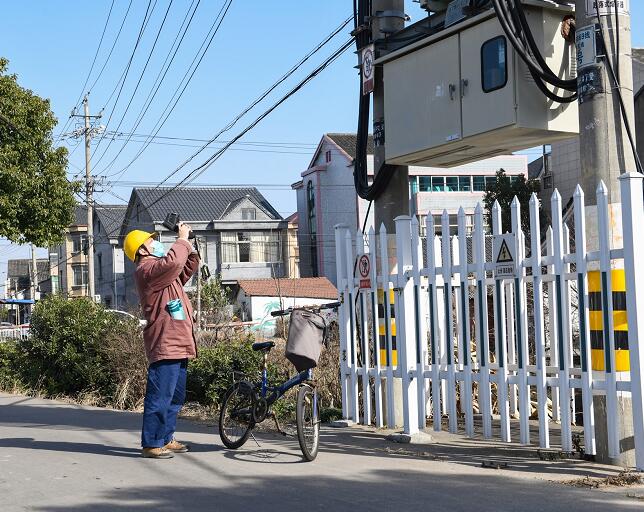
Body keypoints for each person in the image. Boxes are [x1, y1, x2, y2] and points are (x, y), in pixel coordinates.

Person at [123, 223, 199, 459]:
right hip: (166, 341)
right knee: (160, 395)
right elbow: (174, 263)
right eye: (151, 240)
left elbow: (185, 267)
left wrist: (190, 245)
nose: (156, 242)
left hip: (179, 340)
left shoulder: (163, 273)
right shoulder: (147, 272)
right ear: (142, 250)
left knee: (175, 396)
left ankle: (166, 437)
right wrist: (182, 239)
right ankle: (152, 443)